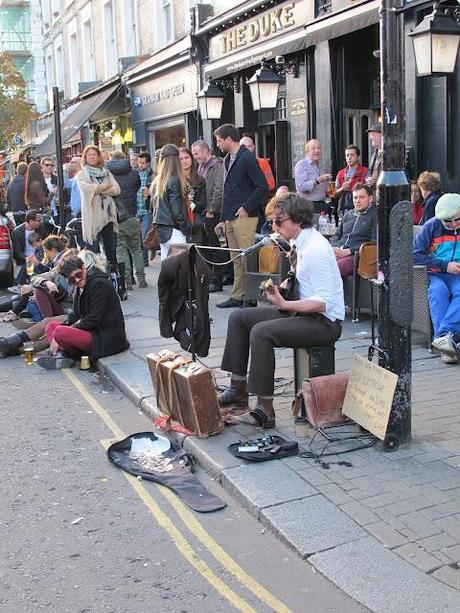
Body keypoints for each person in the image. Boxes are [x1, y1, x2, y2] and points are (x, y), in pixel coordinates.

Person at [218, 192, 344, 428]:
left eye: (279, 221)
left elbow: (323, 302)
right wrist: (282, 289)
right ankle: (237, 389)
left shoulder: (315, 249)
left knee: (261, 333)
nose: (274, 226)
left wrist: (285, 304)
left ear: (298, 220)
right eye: (273, 221)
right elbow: (301, 282)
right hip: (304, 312)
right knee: (239, 318)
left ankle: (264, 410)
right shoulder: (299, 242)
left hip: (323, 322)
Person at [35, 253, 130, 369]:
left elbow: (93, 320)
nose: (77, 280)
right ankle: (63, 355)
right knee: (51, 326)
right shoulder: (79, 287)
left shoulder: (99, 284)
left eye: (78, 274)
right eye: (71, 279)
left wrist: (62, 334)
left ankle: (63, 354)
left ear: (84, 268)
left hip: (105, 337)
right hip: (93, 333)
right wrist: (64, 329)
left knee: (60, 332)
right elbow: (74, 315)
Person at [213, 123, 268, 308]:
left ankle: (251, 297)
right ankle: (238, 295)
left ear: (229, 139)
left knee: (247, 258)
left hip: (245, 217)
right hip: (230, 217)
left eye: (219, 140)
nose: (218, 144)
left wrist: (246, 207)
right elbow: (227, 192)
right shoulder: (228, 158)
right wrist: (222, 218)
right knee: (237, 259)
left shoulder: (247, 158)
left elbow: (262, 186)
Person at [414, 193, 460, 364]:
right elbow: (416, 255)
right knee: (437, 291)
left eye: (457, 219)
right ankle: (448, 341)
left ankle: (442, 337)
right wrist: (444, 265)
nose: (453, 224)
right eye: (448, 221)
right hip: (435, 273)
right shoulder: (431, 227)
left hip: (457, 275)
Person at [76, 145, 120, 273]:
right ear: (85, 157)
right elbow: (86, 188)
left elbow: (117, 189)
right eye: (89, 155)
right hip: (92, 218)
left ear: (98, 156)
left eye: (94, 154)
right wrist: (105, 187)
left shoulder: (106, 172)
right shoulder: (81, 174)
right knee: (93, 252)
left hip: (109, 217)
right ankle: (97, 278)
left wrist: (97, 189)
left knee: (111, 251)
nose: (91, 157)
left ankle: (116, 279)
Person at [107, 150, 146, 290]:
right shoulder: (134, 173)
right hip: (132, 215)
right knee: (136, 248)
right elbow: (136, 188)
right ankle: (141, 279)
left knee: (121, 249)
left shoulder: (108, 173)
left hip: (117, 216)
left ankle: (128, 281)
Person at [191, 139, 225, 293]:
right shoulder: (201, 167)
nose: (195, 157)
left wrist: (212, 209)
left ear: (206, 151)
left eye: (197, 154)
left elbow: (219, 189)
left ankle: (217, 281)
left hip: (213, 213)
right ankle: (211, 278)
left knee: (215, 247)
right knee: (207, 247)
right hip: (203, 212)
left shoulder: (216, 165)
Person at [150, 143, 189, 260]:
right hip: (174, 229)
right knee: (180, 269)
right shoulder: (174, 180)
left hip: (161, 228)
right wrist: (184, 227)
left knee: (167, 269)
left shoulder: (158, 180)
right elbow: (176, 210)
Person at [333, 183, 377, 279]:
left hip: (359, 256)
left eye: (361, 197)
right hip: (339, 252)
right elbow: (337, 236)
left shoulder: (375, 216)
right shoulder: (348, 214)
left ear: (370, 199)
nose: (357, 201)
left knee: (334, 268)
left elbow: (373, 244)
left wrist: (348, 251)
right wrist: (333, 248)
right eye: (355, 198)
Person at [294, 139, 332, 216]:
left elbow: (326, 189)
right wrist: (319, 179)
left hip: (322, 205)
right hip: (307, 206)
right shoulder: (301, 165)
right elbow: (301, 187)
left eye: (318, 148)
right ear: (307, 152)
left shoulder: (322, 166)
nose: (317, 151)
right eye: (313, 148)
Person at [179, 147, 207, 244]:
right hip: (179, 224)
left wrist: (192, 204)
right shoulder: (175, 180)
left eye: (186, 157)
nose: (184, 161)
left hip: (196, 223)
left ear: (191, 158)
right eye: (181, 159)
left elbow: (203, 202)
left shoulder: (199, 180)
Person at [334, 145, 368, 213]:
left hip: (360, 209)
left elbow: (368, 191)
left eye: (352, 155)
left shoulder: (365, 171)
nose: (349, 158)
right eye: (347, 155)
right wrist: (342, 188)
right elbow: (334, 194)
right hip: (343, 209)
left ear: (357, 157)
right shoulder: (340, 173)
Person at [11, 210, 42, 284]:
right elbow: (17, 252)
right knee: (27, 265)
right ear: (31, 221)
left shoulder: (40, 228)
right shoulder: (17, 232)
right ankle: (20, 284)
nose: (40, 222)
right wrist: (28, 258)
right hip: (25, 258)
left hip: (40, 255)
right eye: (38, 220)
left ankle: (18, 284)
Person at [136, 152, 154, 266]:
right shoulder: (135, 173)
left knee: (144, 235)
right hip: (137, 209)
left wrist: (150, 193)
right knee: (138, 237)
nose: (140, 165)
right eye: (139, 162)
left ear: (148, 163)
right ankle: (144, 260)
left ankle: (150, 249)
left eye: (143, 163)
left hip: (147, 209)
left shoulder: (153, 175)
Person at [366, 123, 383, 191]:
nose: (370, 137)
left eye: (373, 134)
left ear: (382, 135)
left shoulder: (389, 153)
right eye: (370, 135)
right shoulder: (374, 155)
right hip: (374, 193)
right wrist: (368, 179)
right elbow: (369, 172)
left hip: (384, 192)